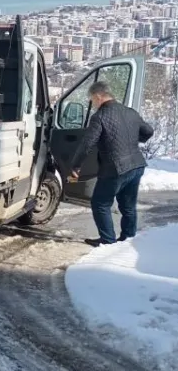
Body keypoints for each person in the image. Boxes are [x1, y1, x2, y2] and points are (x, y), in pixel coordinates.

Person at [68, 81, 154, 247]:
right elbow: (148, 131)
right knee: (128, 205)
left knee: (100, 203)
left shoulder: (100, 116)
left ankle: (108, 241)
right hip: (136, 165)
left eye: (92, 100)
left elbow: (87, 144)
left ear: (99, 97)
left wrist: (76, 165)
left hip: (115, 168)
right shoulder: (130, 112)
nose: (92, 104)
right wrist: (134, 140)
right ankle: (128, 239)